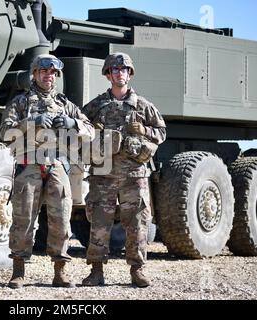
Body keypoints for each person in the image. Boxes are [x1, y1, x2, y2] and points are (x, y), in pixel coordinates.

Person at [0, 54, 94, 289]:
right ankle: (18, 271)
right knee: (23, 219)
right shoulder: (21, 102)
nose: (48, 76)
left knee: (61, 219)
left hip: (58, 165)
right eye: (43, 72)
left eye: (52, 73)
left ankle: (60, 272)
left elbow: (91, 131)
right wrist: (32, 122)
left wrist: (74, 125)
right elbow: (4, 132)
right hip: (28, 164)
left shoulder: (66, 105)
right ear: (34, 74)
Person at [81, 52, 166, 287]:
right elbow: (79, 129)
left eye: (124, 70)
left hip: (134, 173)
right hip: (103, 172)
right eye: (115, 70)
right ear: (108, 75)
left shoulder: (143, 106)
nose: (120, 73)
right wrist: (91, 130)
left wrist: (144, 131)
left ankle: (137, 270)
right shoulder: (96, 105)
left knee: (137, 221)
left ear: (130, 74)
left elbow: (161, 133)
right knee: (99, 221)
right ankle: (96, 271)